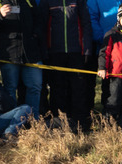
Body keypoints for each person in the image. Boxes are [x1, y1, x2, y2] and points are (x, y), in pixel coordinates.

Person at [0, 0, 47, 119]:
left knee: (35, 86)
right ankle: (12, 122)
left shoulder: (29, 1)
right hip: (8, 54)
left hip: (31, 53)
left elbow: (39, 20)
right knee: (10, 89)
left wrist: (35, 35)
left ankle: (32, 122)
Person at [42, 0, 94, 131]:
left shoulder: (78, 2)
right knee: (57, 87)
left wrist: (87, 49)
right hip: (55, 51)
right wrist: (44, 51)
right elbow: (41, 26)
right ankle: (59, 121)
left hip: (76, 51)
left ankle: (80, 122)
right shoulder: (47, 2)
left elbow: (86, 24)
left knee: (78, 87)